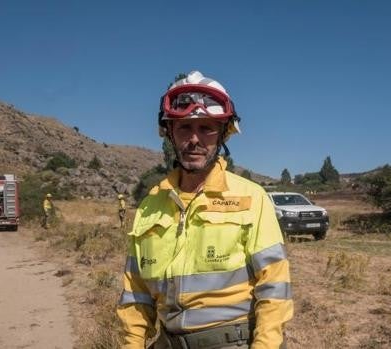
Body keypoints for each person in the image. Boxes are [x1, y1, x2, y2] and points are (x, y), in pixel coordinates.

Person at [117, 71, 293, 349]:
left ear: (223, 134)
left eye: (206, 128)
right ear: (170, 133)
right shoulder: (151, 204)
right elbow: (136, 293)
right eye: (184, 127)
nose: (194, 139)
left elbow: (274, 288)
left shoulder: (251, 198)